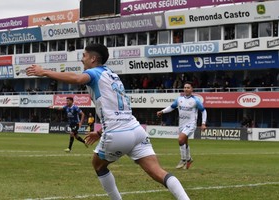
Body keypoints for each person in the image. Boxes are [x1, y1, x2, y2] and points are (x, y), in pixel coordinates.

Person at [27, 43, 190, 200]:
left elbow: (77, 79)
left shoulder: (94, 73)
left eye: (84, 55)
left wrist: (44, 72)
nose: (81, 59)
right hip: (136, 130)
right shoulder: (112, 75)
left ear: (92, 59)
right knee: (158, 172)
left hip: (117, 133)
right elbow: (116, 111)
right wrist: (98, 132)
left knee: (98, 165)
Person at [157, 81, 207, 170]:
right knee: (185, 142)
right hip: (181, 124)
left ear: (192, 89)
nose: (186, 89)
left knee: (180, 139)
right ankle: (189, 159)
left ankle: (183, 159)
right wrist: (162, 111)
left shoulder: (195, 100)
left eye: (188, 87)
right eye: (185, 87)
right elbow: (172, 107)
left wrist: (203, 123)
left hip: (191, 124)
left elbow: (203, 111)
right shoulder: (179, 99)